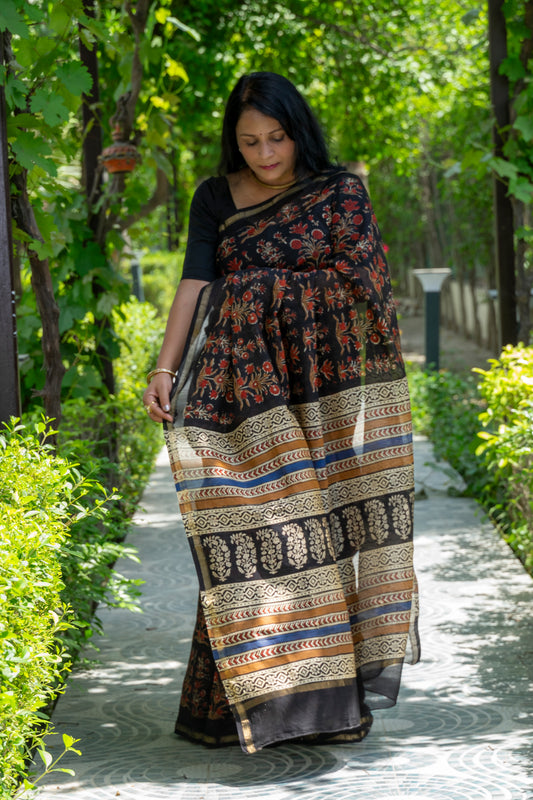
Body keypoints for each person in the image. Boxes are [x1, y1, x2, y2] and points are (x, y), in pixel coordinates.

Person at [143, 71, 420, 755]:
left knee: (317, 537)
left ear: (298, 132)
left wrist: (262, 286)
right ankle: (246, 704)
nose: (265, 154)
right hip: (241, 390)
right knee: (249, 534)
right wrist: (163, 369)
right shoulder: (214, 198)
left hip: (322, 393)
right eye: (250, 142)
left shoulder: (339, 192)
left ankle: (316, 706)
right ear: (233, 142)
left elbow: (365, 286)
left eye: (277, 138)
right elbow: (195, 284)